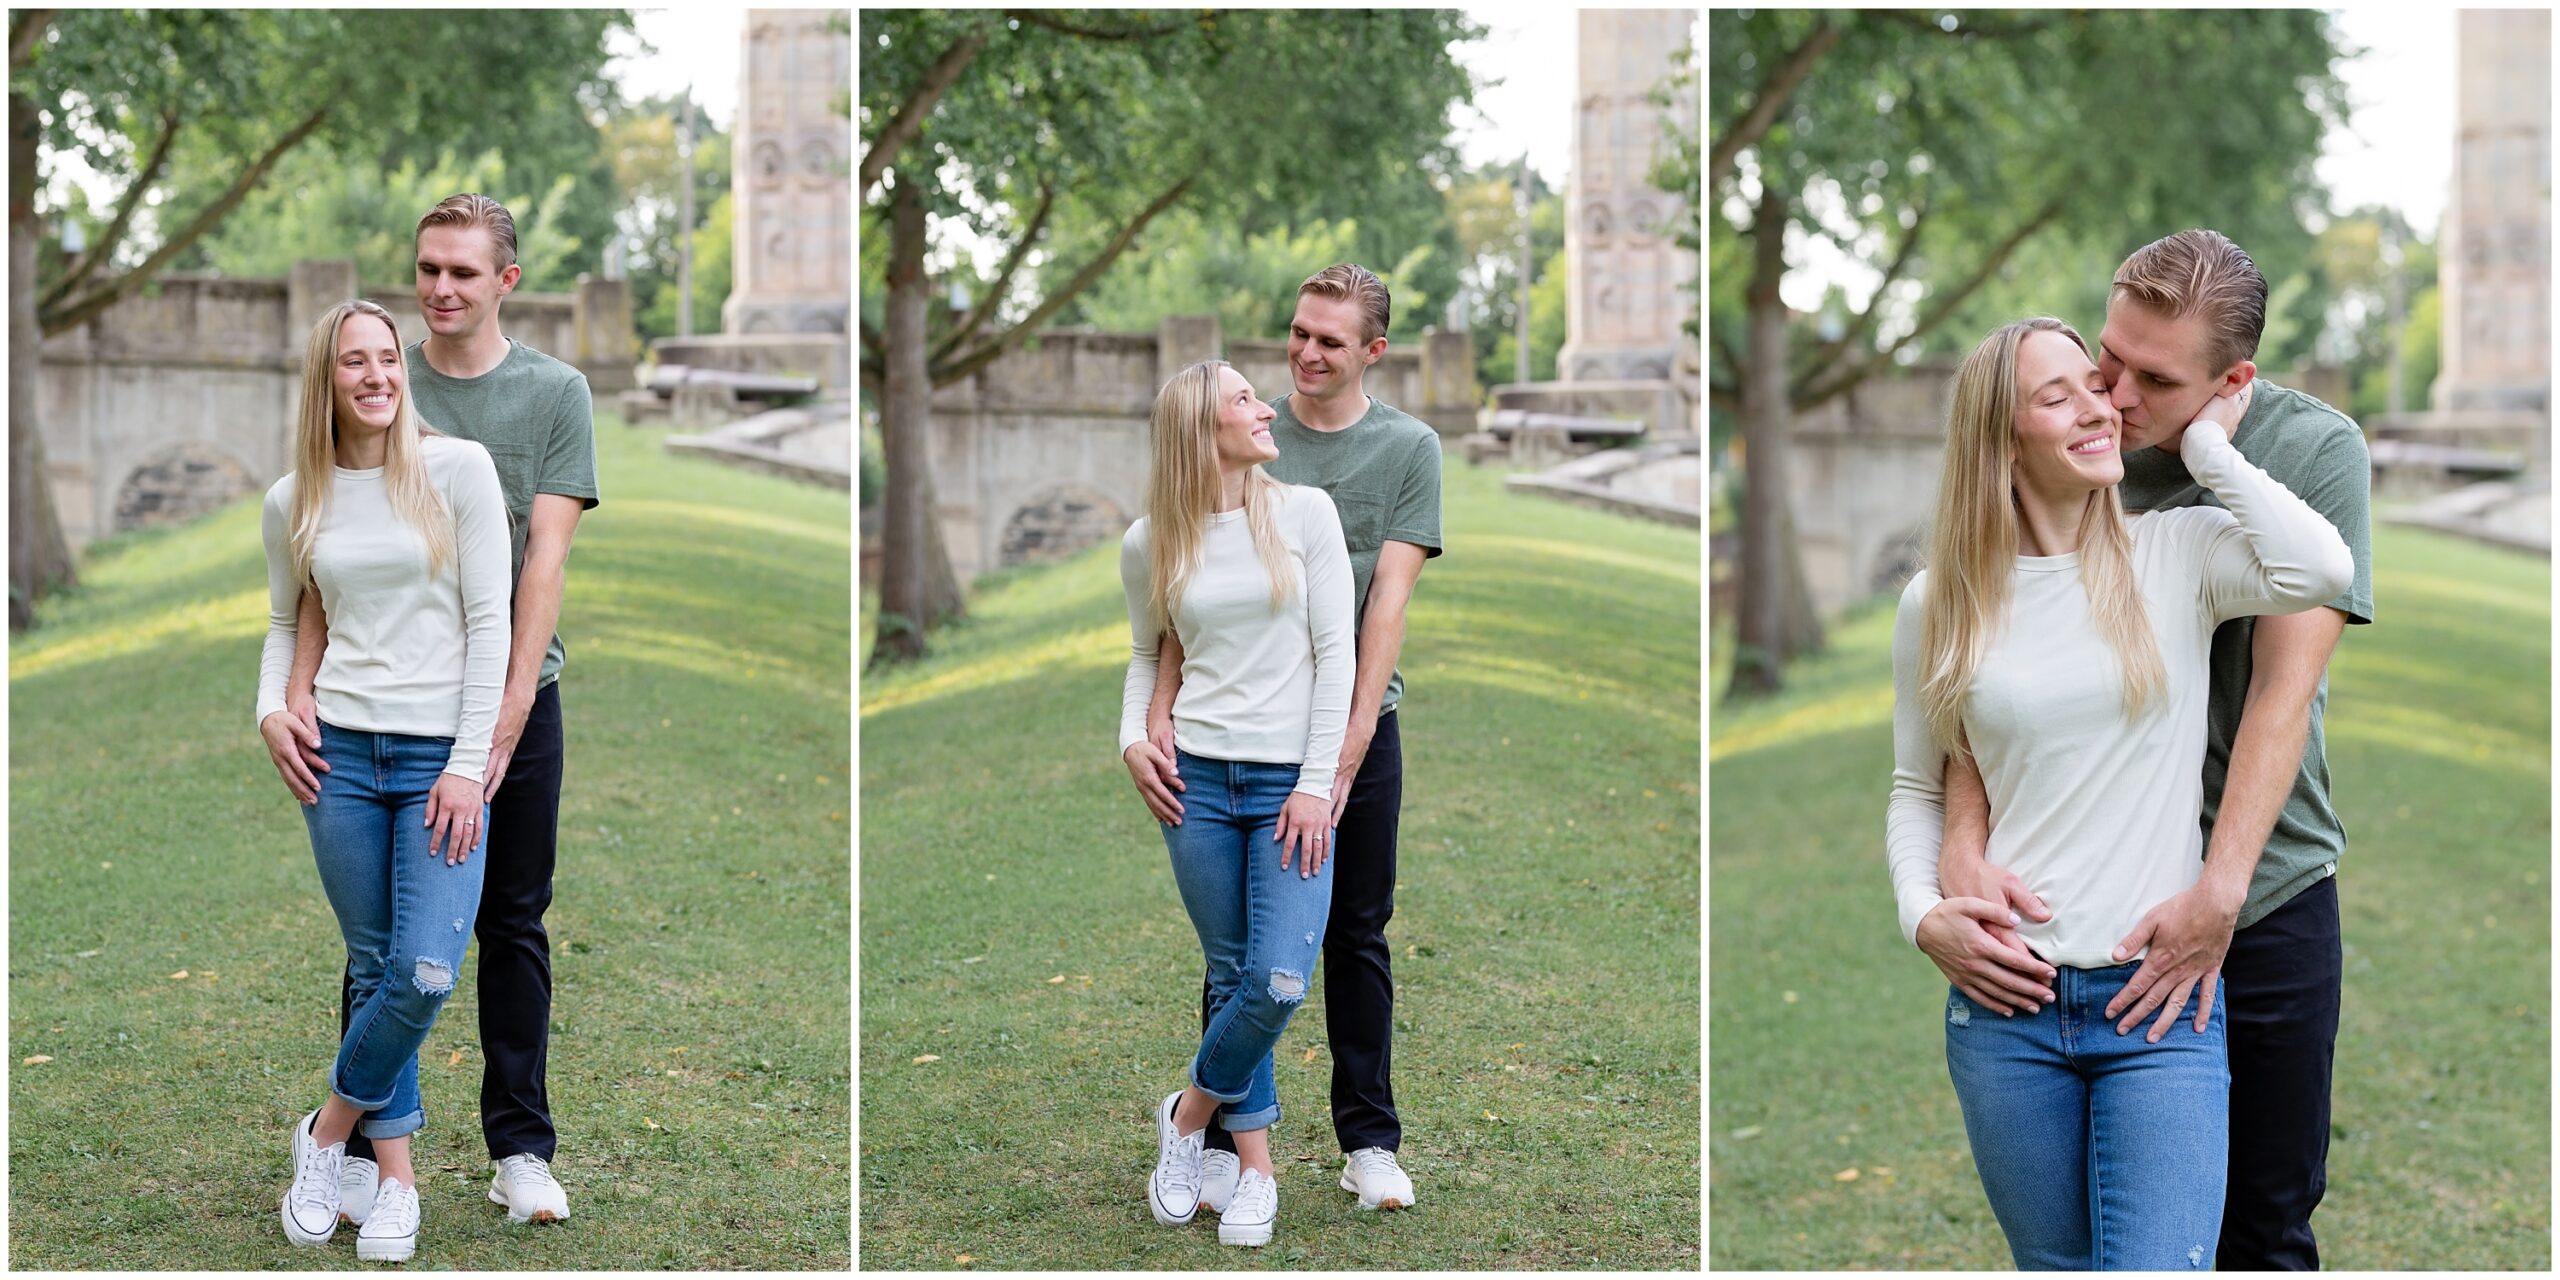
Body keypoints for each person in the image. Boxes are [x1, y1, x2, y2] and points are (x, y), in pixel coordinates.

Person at [1920, 231, 2375, 1268]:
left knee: (2260, 1224)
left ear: (2232, 382)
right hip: (2089, 901)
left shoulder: (2310, 452)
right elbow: (1988, 662)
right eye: (2107, 358)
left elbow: (2279, 693)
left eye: (2153, 380)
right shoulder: (2077, 447)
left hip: (2257, 890)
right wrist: (1958, 846)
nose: (2113, 397)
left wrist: (2216, 896)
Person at [269, 194, 599, 1226]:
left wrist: (496, 723)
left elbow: (542, 557)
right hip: (384, 712)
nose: (442, 288)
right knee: (381, 944)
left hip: (514, 695)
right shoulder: (376, 379)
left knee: (508, 921)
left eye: (464, 271)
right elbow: (322, 577)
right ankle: (366, 1149)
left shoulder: (553, 392)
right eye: (429, 268)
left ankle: (520, 1147)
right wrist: (287, 694)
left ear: (505, 280)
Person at [1131, 264, 1442, 1215]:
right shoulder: (1246, 430)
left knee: (1354, 934)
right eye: (1299, 334)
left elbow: (1383, 605)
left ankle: (1369, 1141)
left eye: (1331, 341)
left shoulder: (1406, 451)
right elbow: (1188, 598)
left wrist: (1341, 755)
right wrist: (1153, 708)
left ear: (1373, 354)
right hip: (1241, 736)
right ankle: (1221, 1139)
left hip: (1355, 721)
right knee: (1237, 954)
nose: (1306, 354)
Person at [256, 299, 512, 1263]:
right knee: (372, 967)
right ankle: (395, 1186)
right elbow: (285, 625)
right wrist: (271, 711)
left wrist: (462, 765)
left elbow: (490, 623)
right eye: (353, 363)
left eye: (388, 360)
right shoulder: (295, 499)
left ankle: (324, 1137)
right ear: (325, 379)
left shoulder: (458, 471)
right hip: (342, 761)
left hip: (438, 759)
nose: (376, 377)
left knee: (424, 968)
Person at [1119, 359, 1356, 1248]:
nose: (1267, 408)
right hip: (1199, 787)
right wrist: (1132, 742)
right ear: (1200, 429)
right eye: (1245, 400)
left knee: (1279, 978)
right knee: (1229, 974)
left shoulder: (1305, 515)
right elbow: (1147, 656)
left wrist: (1312, 784)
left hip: (1289, 784)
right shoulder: (1152, 540)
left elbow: (1338, 655)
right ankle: (1254, 1173)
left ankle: (1186, 1119)